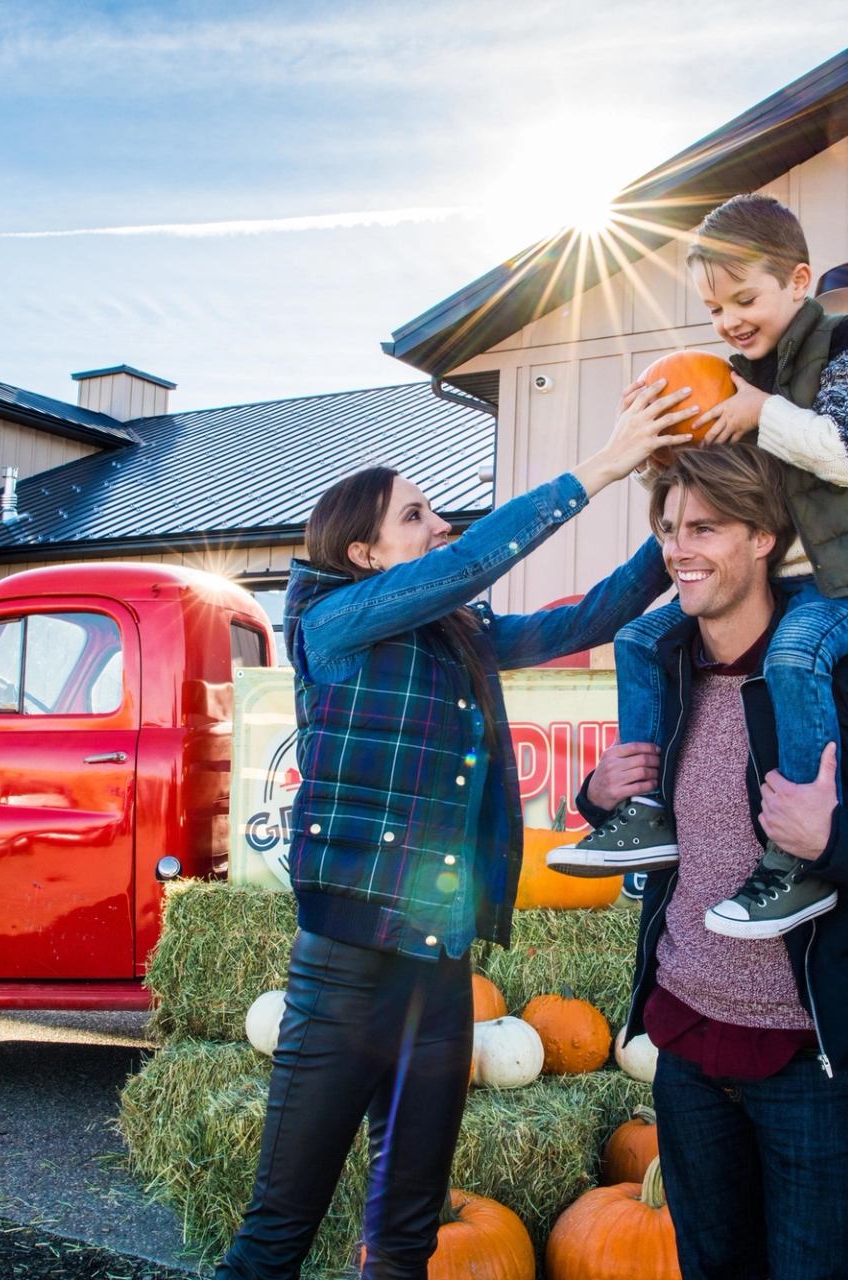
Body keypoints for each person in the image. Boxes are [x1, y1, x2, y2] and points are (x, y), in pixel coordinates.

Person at [212, 380, 698, 1280]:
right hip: (348, 962)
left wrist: (669, 531)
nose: (437, 526)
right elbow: (467, 563)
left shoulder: (452, 631)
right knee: (277, 1229)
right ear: (362, 551)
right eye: (416, 515)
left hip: (437, 961)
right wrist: (601, 465)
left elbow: (576, 621)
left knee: (407, 1231)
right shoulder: (334, 619)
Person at [576, 442, 848, 1280]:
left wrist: (832, 842)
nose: (678, 548)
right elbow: (666, 835)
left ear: (764, 536)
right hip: (686, 1053)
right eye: (667, 528)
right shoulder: (667, 675)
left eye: (705, 527)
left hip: (806, 1059)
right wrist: (598, 796)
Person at [550, 193, 848, 943]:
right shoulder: (737, 376)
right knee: (639, 641)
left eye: (746, 297)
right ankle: (646, 812)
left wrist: (754, 408)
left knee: (798, 655)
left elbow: (847, 450)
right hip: (778, 582)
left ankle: (800, 851)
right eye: (714, 308)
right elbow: (711, 495)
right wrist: (658, 439)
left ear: (799, 282)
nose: (731, 318)